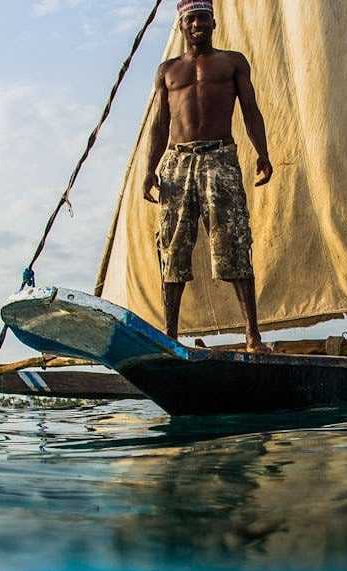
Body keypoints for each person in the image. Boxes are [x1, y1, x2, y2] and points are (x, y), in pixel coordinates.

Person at [142, 0, 274, 352]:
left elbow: (251, 111)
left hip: (220, 157)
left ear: (213, 22)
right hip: (177, 162)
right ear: (182, 25)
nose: (197, 24)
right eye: (191, 19)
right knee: (172, 249)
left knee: (234, 242)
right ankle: (170, 335)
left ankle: (252, 335)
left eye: (203, 18)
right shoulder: (167, 71)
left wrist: (262, 153)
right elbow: (158, 126)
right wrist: (148, 171)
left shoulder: (232, 62)